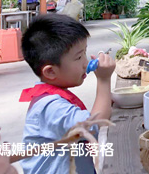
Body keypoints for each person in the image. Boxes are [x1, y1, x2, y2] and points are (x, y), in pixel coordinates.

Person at [19, 14, 115, 174]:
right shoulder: (50, 107)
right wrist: (104, 81)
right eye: (78, 57)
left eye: (84, 53)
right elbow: (96, 124)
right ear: (50, 71)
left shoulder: (49, 96)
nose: (85, 62)